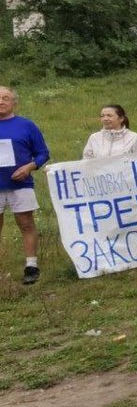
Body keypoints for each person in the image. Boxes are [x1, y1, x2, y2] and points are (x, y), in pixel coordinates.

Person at [0, 87, 50, 286]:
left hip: (20, 184)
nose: (1, 102)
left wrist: (29, 167)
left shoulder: (26, 125)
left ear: (14, 103)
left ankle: (31, 265)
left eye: (5, 98)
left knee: (26, 224)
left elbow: (43, 153)